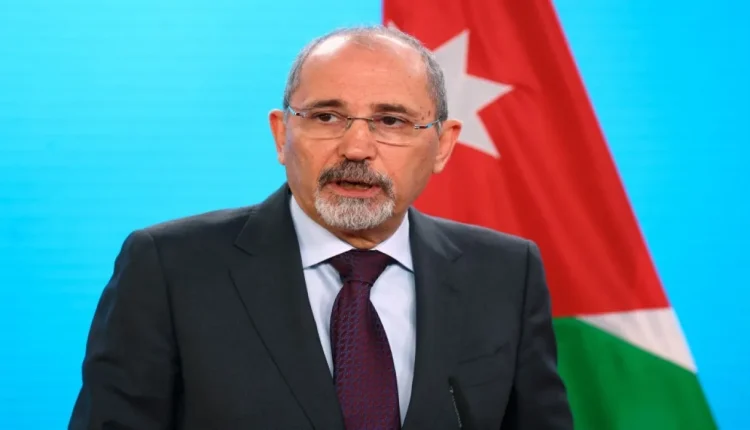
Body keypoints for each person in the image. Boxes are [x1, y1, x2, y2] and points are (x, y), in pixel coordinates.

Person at [69, 25, 573, 430]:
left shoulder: (506, 272)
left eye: (391, 121)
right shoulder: (170, 267)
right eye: (327, 116)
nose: (356, 148)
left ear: (443, 145)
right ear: (282, 134)